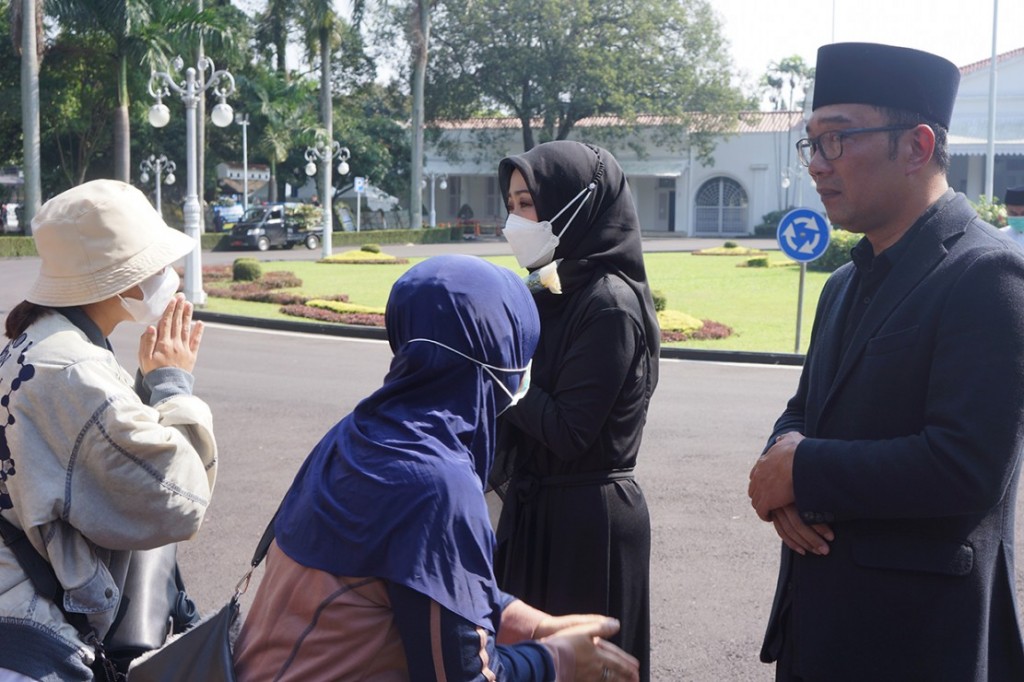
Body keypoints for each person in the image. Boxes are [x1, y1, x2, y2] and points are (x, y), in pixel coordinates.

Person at [747, 42, 1024, 681]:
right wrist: (783, 464)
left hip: (919, 640)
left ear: (918, 146)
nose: (817, 165)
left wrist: (805, 471)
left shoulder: (986, 273)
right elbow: (804, 408)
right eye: (810, 144)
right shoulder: (845, 282)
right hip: (818, 628)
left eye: (837, 140)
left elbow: (964, 465)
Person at [232, 254, 639, 682]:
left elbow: (421, 583)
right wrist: (557, 660)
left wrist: (532, 625)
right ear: (498, 363)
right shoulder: (437, 485)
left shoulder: (354, 434)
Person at [0, 180, 218, 681]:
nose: (172, 276)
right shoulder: (74, 369)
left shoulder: (40, 341)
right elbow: (180, 497)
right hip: (35, 635)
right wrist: (171, 385)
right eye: (156, 266)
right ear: (120, 282)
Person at [493, 141, 660, 681]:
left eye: (527, 204)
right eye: (512, 204)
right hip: (539, 510)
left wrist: (502, 373)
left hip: (588, 525)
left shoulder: (610, 304)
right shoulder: (551, 289)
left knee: (585, 669)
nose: (514, 220)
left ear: (577, 204)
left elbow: (570, 431)